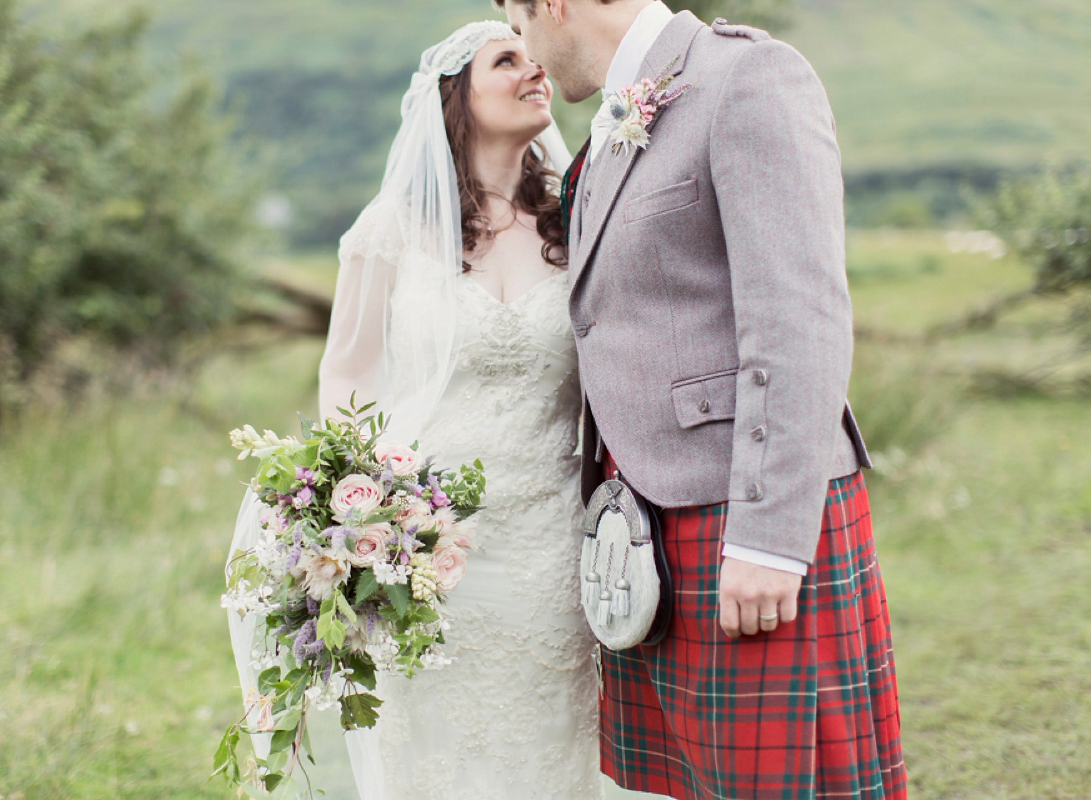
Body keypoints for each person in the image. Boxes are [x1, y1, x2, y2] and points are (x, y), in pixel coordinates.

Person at [496, 0, 908, 798]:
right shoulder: (616, 122)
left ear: (552, 4)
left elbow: (799, 315)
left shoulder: (747, 78)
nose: (528, 50)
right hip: (648, 533)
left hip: (738, 519)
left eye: (518, 24)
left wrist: (771, 539)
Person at [312, 20, 603, 800]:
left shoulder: (578, 226)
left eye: (532, 55)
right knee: (438, 753)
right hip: (434, 546)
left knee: (550, 745)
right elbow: (346, 371)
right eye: (505, 61)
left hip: (553, 548)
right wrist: (369, 510)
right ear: (457, 101)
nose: (533, 69)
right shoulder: (394, 230)